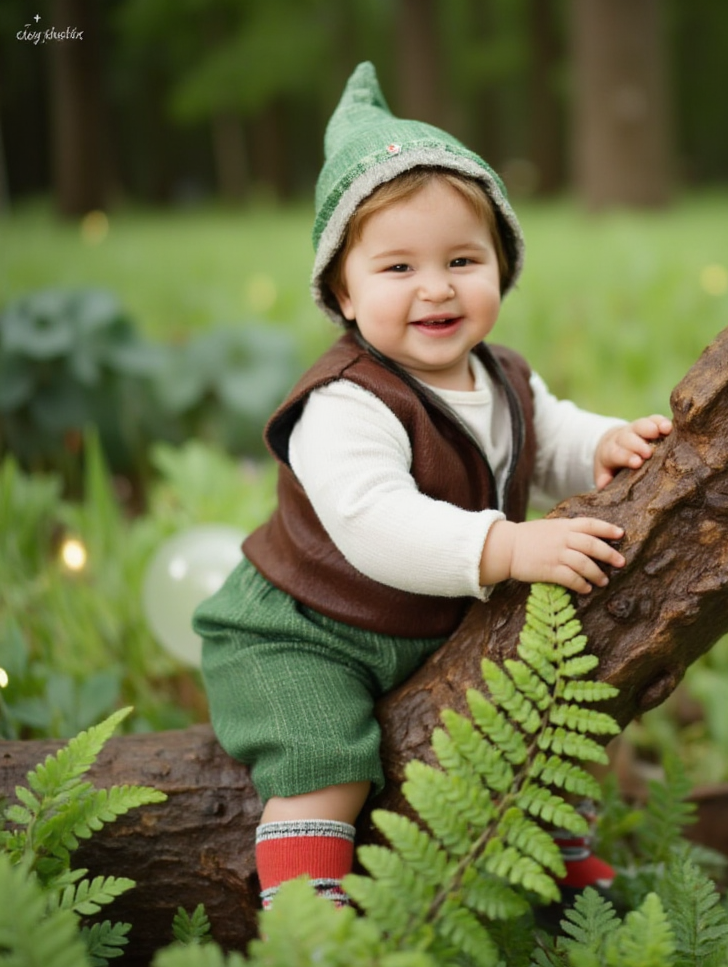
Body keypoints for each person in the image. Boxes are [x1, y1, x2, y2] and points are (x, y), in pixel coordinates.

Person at [193, 61, 672, 911]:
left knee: (538, 700)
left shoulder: (502, 374)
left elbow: (548, 433)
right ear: (342, 290)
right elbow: (377, 522)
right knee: (325, 758)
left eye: (462, 258)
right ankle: (309, 929)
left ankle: (551, 851)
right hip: (309, 632)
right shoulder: (342, 404)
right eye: (397, 269)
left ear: (501, 264)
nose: (437, 288)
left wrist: (607, 440)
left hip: (429, 617)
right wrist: (511, 544)